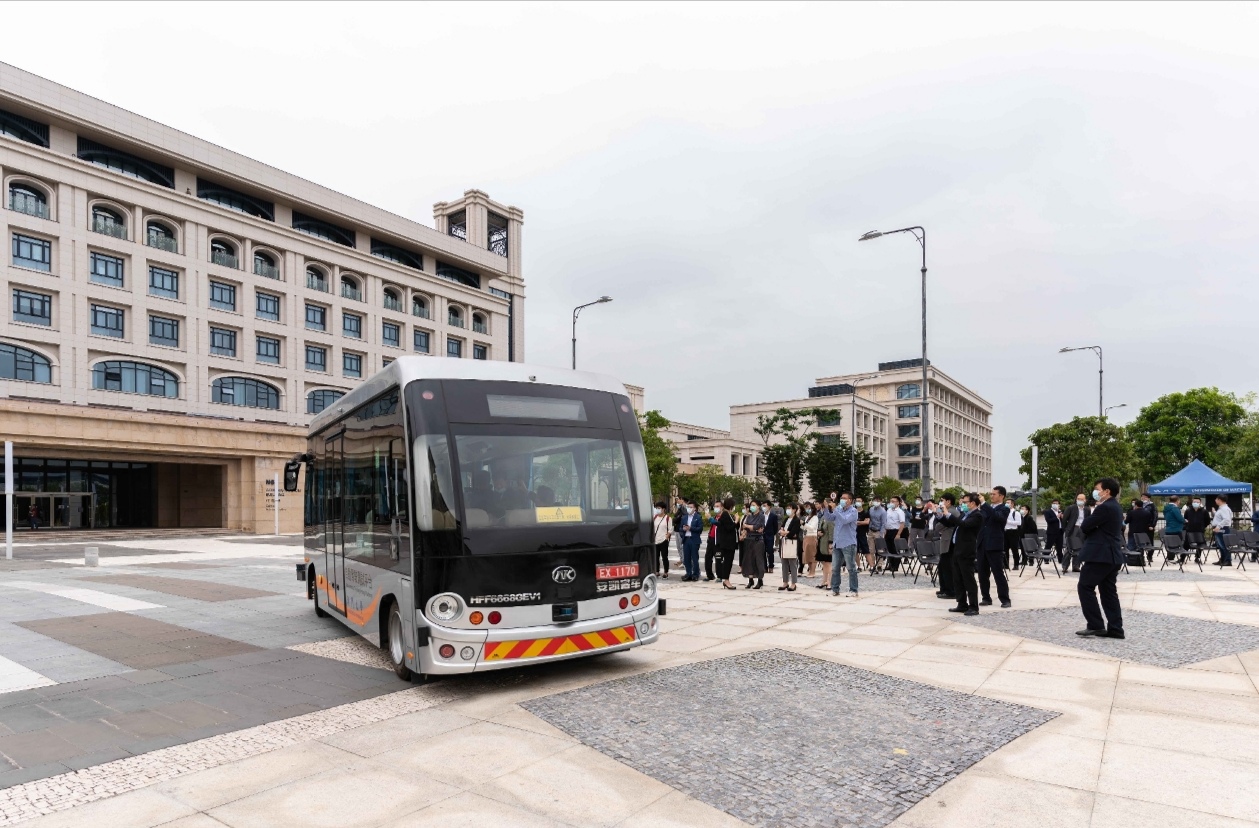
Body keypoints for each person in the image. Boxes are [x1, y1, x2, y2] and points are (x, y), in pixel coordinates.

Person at [1077, 478, 1125, 638]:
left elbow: (1085, 526)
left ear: (1106, 491)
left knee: (1085, 586)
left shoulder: (1104, 507)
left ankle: (1096, 625)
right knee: (1108, 592)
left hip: (1100, 555)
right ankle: (1116, 628)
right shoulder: (1116, 507)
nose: (1095, 491)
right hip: (1112, 556)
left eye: (1097, 489)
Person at [944, 493, 984, 615]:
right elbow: (955, 524)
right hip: (957, 549)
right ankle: (962, 604)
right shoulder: (964, 514)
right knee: (958, 579)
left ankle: (973, 606)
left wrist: (949, 514)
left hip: (966, 551)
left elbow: (965, 525)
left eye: (965, 502)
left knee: (968, 579)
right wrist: (941, 515)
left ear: (972, 503)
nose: (963, 504)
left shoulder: (977, 515)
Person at [978, 486, 1012, 608]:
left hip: (995, 545)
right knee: (982, 573)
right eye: (990, 494)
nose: (991, 496)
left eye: (994, 494)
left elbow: (998, 517)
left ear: (1001, 496)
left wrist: (984, 504)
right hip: (982, 543)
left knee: (998, 573)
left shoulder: (1004, 508)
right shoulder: (985, 508)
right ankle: (986, 597)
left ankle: (1005, 599)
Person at [828, 493, 860, 597]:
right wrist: (825, 509)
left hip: (848, 543)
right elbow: (829, 518)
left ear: (850, 500)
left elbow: (845, 520)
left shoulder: (853, 511)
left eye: (844, 498)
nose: (842, 500)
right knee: (835, 568)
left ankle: (853, 590)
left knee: (851, 568)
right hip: (837, 543)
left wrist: (836, 510)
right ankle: (835, 589)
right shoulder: (838, 509)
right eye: (841, 498)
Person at [935, 495, 959, 600]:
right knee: (942, 566)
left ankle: (950, 590)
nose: (940, 502)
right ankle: (944, 588)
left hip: (949, 542)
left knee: (947, 567)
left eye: (942, 500)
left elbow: (939, 526)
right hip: (946, 541)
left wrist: (940, 517)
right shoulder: (948, 511)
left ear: (948, 501)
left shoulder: (952, 512)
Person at [740, 501, 766, 589]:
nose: (752, 507)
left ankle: (760, 579)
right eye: (751, 505)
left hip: (758, 540)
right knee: (749, 560)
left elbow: (757, 527)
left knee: (758, 560)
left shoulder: (761, 516)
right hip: (749, 539)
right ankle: (750, 580)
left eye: (754, 505)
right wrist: (745, 531)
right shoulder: (749, 516)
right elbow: (745, 527)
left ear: (758, 506)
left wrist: (748, 526)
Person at [1062, 492, 1091, 572]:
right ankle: (1065, 566)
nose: (1079, 500)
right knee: (1069, 548)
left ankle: (1076, 566)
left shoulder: (1087, 509)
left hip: (1082, 529)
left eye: (1081, 499)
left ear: (1085, 500)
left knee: (1079, 548)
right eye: (1078, 499)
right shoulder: (1071, 508)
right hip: (1072, 529)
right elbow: (1064, 520)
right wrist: (1066, 529)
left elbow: (1088, 520)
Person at [714, 498, 739, 590]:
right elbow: (729, 528)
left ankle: (726, 579)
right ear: (731, 506)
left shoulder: (729, 514)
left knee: (729, 561)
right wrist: (736, 521)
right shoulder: (725, 514)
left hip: (730, 543)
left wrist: (736, 521)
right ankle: (726, 580)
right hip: (727, 543)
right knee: (727, 562)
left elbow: (735, 527)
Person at [778, 504, 801, 591]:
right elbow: (781, 529)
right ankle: (785, 582)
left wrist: (786, 532)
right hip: (784, 542)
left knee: (792, 563)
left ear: (794, 510)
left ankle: (793, 583)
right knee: (784, 563)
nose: (788, 510)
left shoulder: (796, 520)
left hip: (792, 543)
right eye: (787, 508)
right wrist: (784, 532)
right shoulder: (786, 519)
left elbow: (793, 533)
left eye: (789, 508)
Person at [679, 500, 702, 581]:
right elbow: (680, 528)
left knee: (695, 558)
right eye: (688, 507)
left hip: (694, 540)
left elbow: (700, 529)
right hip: (686, 539)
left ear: (695, 508)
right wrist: (683, 530)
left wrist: (690, 528)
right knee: (686, 558)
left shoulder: (698, 517)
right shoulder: (684, 517)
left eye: (691, 507)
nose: (689, 509)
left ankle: (696, 574)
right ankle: (688, 573)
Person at [884, 496, 907, 571]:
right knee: (889, 548)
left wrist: (898, 534)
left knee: (895, 549)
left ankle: (895, 566)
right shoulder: (889, 510)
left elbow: (902, 524)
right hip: (889, 531)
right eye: (891, 501)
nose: (891, 503)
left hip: (896, 531)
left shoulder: (900, 512)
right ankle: (890, 564)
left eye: (893, 501)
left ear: (898, 503)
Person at [816, 498, 834, 589]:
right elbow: (819, 528)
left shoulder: (830, 518)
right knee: (824, 563)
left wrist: (830, 544)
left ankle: (830, 582)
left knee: (829, 563)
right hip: (821, 542)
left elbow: (831, 532)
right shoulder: (823, 517)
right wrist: (818, 533)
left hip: (827, 543)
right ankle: (824, 580)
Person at [1183, 497, 1209, 563]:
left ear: (1200, 503)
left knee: (1199, 545)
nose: (1196, 503)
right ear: (1192, 502)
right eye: (1194, 502)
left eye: (1197, 502)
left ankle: (1197, 557)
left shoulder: (1204, 511)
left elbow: (1207, 521)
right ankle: (1182, 558)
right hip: (1190, 530)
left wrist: (1203, 526)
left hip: (1200, 531)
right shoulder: (1188, 510)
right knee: (1186, 544)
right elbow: (1185, 518)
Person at [1211, 495, 1234, 566]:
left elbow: (1226, 519)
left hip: (1222, 529)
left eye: (1216, 499)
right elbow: (1222, 517)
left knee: (1223, 544)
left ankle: (1227, 560)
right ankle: (1223, 559)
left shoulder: (1224, 509)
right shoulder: (1222, 509)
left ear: (1219, 500)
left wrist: (1218, 526)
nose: (1215, 500)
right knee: (1220, 545)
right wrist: (1214, 512)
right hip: (1221, 528)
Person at [652, 501, 672, 578]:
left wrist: (667, 536)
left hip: (663, 540)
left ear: (663, 509)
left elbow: (670, 529)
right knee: (656, 557)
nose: (657, 509)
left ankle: (666, 572)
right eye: (656, 508)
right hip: (655, 540)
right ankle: (657, 571)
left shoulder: (668, 518)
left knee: (664, 557)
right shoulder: (655, 517)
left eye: (659, 508)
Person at [802, 502, 820, 577]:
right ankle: (810, 570)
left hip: (812, 536)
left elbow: (812, 527)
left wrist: (804, 524)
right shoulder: (807, 517)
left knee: (812, 555)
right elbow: (805, 527)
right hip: (806, 536)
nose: (807, 510)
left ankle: (813, 572)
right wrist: (801, 525)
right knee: (807, 555)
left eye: (809, 508)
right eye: (806, 508)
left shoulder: (815, 517)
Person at [868, 497, 886, 569]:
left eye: (878, 501)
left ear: (881, 502)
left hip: (878, 531)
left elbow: (883, 523)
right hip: (871, 530)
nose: (876, 502)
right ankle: (872, 564)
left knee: (879, 549)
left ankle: (879, 565)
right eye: (875, 500)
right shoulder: (871, 509)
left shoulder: (883, 511)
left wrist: (881, 534)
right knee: (871, 549)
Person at [1004, 498, 1023, 569]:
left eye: (1008, 502)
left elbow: (1019, 523)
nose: (1006, 504)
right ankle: (1006, 564)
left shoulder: (1016, 513)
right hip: (1005, 531)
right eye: (1006, 502)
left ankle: (1016, 564)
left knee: (1014, 549)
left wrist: (1008, 521)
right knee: (1005, 549)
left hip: (1013, 532)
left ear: (1012, 504)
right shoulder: (1004, 512)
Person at [855, 496, 872, 571]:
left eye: (859, 501)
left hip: (862, 534)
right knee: (855, 551)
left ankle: (872, 566)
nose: (858, 502)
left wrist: (858, 522)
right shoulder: (853, 512)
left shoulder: (866, 513)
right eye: (856, 501)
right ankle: (859, 566)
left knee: (866, 551)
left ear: (862, 502)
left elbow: (867, 522)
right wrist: (861, 522)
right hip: (854, 534)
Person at [1044, 499, 1064, 563]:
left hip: (1060, 531)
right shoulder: (1048, 511)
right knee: (1048, 545)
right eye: (1054, 503)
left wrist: (1062, 517)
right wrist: (1057, 517)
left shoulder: (1060, 512)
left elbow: (1063, 521)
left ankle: (1060, 559)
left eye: (1057, 503)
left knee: (1059, 546)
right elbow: (1048, 520)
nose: (1056, 505)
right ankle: (1045, 558)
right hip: (1052, 532)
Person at [762, 503, 780, 574]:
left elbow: (775, 527)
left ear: (769, 507)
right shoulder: (761, 515)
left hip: (770, 536)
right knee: (762, 551)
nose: (763, 507)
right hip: (762, 536)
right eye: (763, 506)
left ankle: (771, 566)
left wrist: (772, 533)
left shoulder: (773, 516)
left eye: (765, 506)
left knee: (770, 551)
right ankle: (764, 567)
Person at [703, 502, 719, 581]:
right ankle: (709, 575)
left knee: (718, 558)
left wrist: (710, 518)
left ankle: (720, 576)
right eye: (715, 506)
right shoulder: (715, 516)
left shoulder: (723, 517)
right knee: (708, 558)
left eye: (717, 506)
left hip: (718, 541)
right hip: (711, 539)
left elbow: (718, 524)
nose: (716, 508)